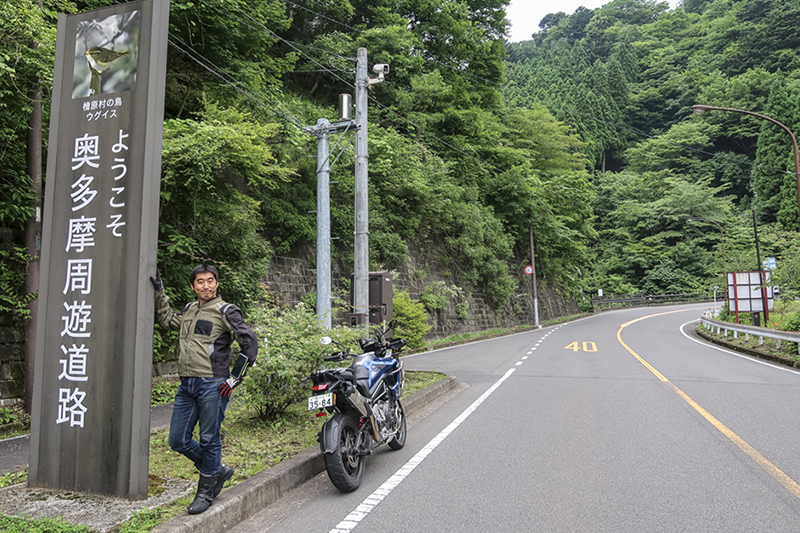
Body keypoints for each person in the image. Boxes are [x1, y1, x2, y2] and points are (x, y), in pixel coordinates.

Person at [150, 264, 258, 514]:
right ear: (193, 286)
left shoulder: (226, 311)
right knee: (177, 440)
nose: (206, 286)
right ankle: (217, 470)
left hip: (213, 384)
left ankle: (206, 491)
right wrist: (159, 291)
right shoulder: (189, 309)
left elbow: (249, 342)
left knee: (209, 438)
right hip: (187, 384)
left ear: (217, 284)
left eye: (210, 281)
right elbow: (167, 320)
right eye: (200, 282)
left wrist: (234, 379)